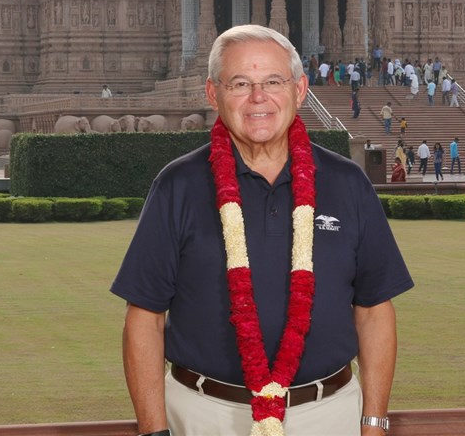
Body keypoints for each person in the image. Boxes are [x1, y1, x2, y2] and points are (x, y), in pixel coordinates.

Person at [111, 25, 413, 435]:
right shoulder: (178, 185)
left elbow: (375, 310)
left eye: (273, 81)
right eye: (240, 83)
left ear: (300, 89)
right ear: (213, 94)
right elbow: (144, 316)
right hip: (205, 414)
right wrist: (154, 431)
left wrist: (373, 422)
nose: (258, 97)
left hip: (328, 414)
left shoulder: (345, 182)